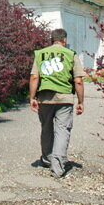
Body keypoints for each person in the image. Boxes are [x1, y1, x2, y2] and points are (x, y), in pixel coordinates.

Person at [29, 28, 85, 178]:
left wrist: (32, 97)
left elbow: (35, 77)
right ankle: (58, 167)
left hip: (45, 98)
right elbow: (78, 80)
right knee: (62, 130)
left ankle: (47, 159)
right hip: (64, 98)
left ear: (51, 39)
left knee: (46, 128)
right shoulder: (71, 54)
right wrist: (80, 101)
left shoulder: (40, 54)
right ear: (64, 40)